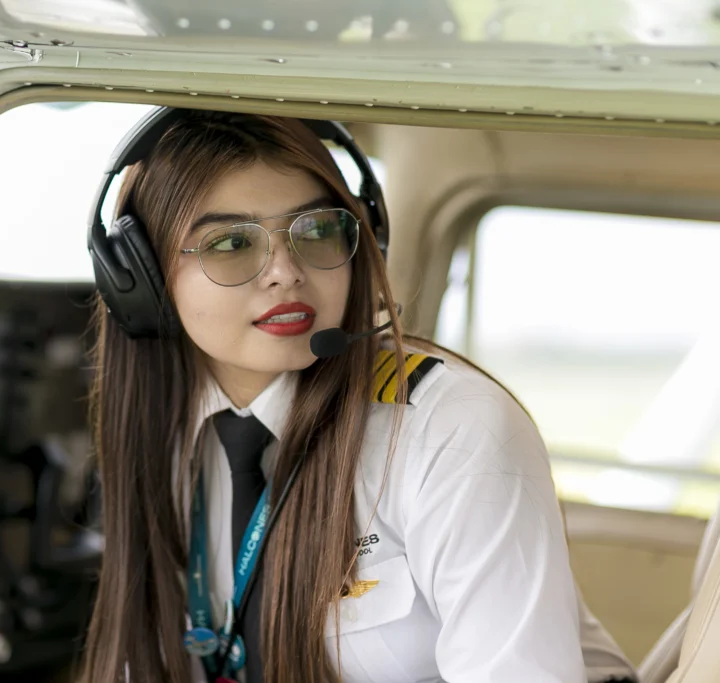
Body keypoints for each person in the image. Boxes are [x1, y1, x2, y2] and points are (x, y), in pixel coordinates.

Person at [80, 107, 636, 683]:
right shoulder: (159, 432)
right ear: (138, 279)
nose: (284, 272)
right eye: (229, 242)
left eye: (316, 229)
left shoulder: (451, 430)